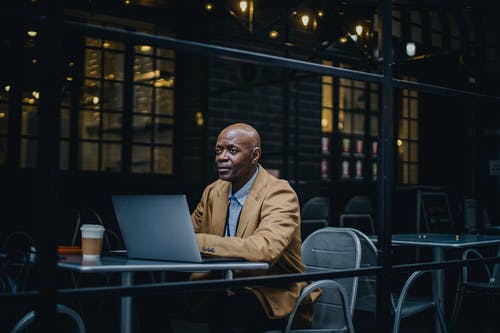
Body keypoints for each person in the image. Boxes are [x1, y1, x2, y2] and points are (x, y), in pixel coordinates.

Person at [187, 122, 318, 332]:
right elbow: (184, 235)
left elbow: (264, 249)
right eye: (219, 150)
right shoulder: (213, 192)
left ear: (254, 156)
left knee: (230, 312)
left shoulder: (279, 193)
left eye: (232, 150)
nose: (222, 157)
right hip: (219, 286)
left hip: (269, 292)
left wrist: (196, 242)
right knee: (148, 295)